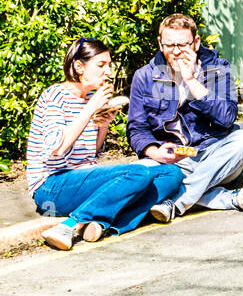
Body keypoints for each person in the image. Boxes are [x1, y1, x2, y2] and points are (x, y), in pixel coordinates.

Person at [27, 38, 186, 251]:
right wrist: (91, 108)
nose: (108, 72)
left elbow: (91, 154)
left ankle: (100, 224)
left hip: (84, 180)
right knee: (140, 174)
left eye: (109, 65)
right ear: (79, 67)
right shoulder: (55, 96)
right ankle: (70, 225)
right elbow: (57, 150)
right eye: (101, 65)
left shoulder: (91, 98)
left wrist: (103, 124)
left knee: (172, 174)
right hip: (51, 188)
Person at [127, 14, 243, 221]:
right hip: (171, 162)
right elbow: (136, 129)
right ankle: (218, 198)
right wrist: (155, 152)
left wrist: (191, 80)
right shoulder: (144, 76)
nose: (176, 52)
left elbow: (227, 118)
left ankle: (177, 201)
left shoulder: (217, 69)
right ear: (160, 44)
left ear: (195, 43)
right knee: (132, 175)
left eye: (182, 45)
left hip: (212, 155)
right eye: (170, 45)